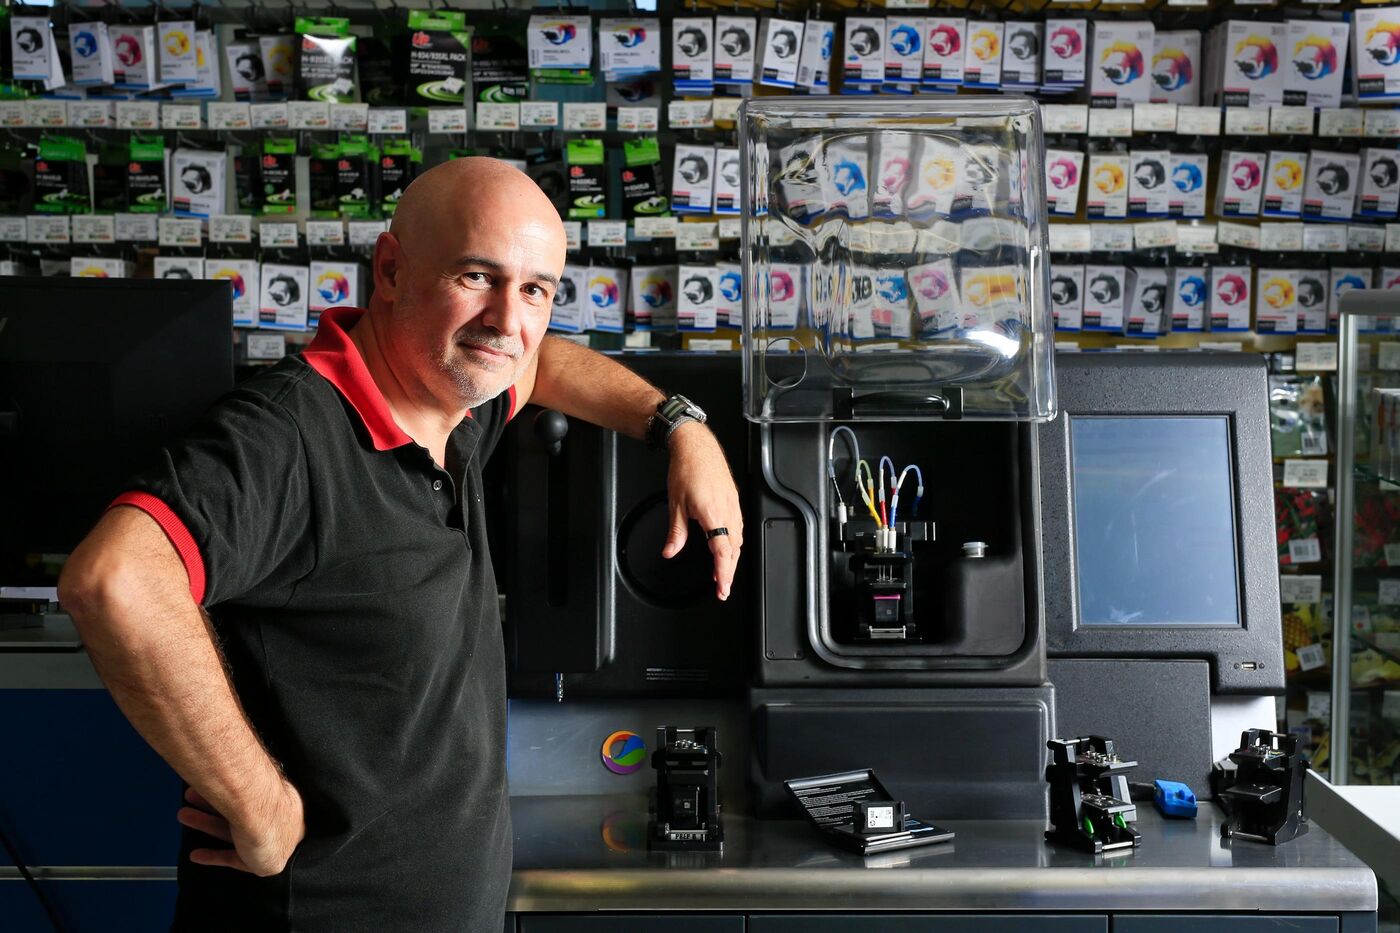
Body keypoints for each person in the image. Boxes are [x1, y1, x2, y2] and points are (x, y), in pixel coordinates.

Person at [58, 157, 744, 931]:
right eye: (476, 276)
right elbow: (116, 580)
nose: (506, 317)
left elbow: (537, 358)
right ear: (390, 270)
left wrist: (682, 427)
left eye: (536, 289)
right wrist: (259, 802)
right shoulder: (290, 438)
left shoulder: (451, 406)